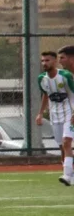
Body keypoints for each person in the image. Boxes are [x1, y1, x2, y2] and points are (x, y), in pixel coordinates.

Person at [35, 51, 74, 185]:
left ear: (55, 61)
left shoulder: (65, 76)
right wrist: (40, 113)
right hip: (55, 116)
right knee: (61, 146)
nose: (45, 63)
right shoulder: (41, 79)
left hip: (70, 113)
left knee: (67, 142)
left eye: (48, 60)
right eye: (43, 61)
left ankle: (67, 175)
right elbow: (46, 95)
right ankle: (70, 175)